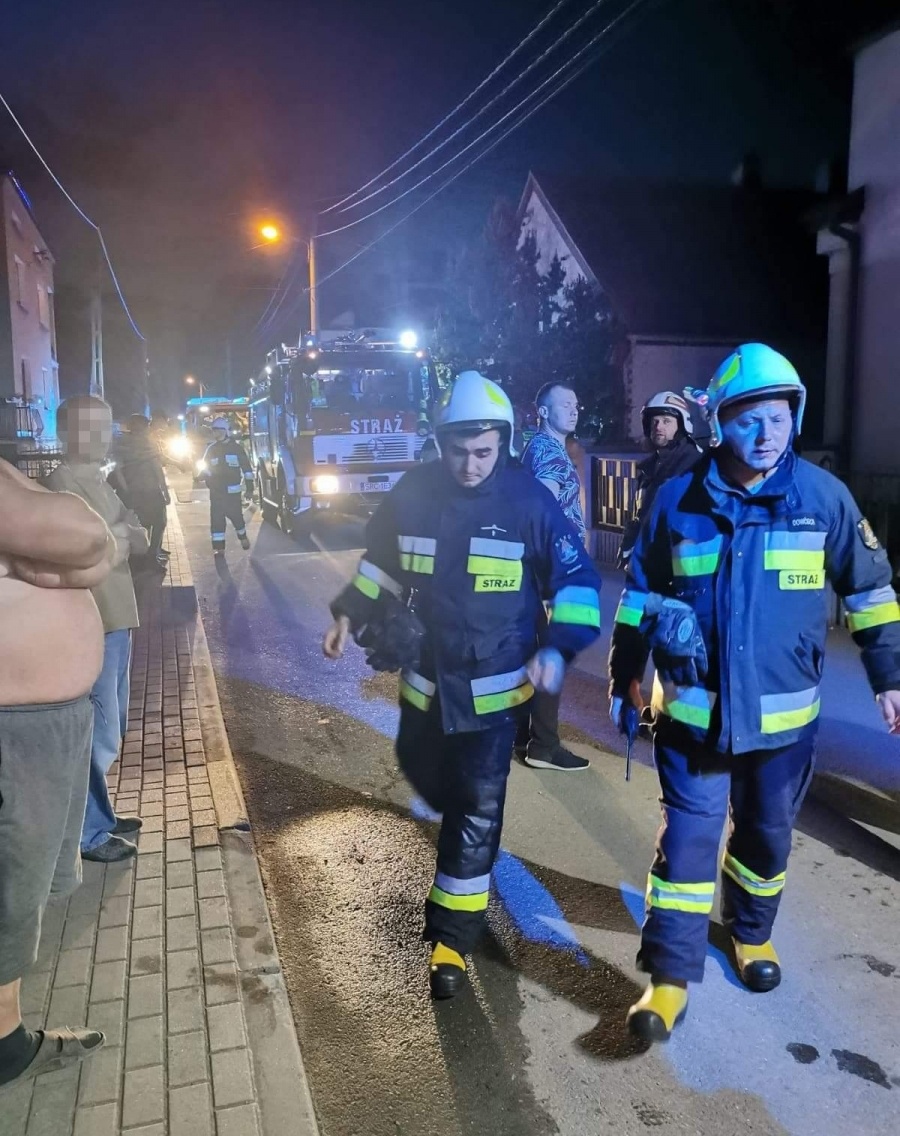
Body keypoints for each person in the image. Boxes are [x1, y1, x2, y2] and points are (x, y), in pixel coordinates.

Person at [607, 343, 900, 1044]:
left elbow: (870, 591)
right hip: (692, 718)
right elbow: (638, 592)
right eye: (748, 420)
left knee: (766, 840)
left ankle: (751, 933)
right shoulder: (678, 498)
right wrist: (627, 671)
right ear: (719, 426)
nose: (766, 434)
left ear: (792, 418)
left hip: (784, 728)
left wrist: (889, 677)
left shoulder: (824, 500)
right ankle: (669, 980)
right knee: (686, 850)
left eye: (778, 418)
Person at [322, 371, 602, 999]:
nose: (471, 465)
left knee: (474, 812)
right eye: (458, 450)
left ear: (501, 442)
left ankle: (452, 939)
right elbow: (381, 567)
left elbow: (579, 583)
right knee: (436, 789)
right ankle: (459, 849)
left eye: (484, 451)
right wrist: (349, 612)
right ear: (440, 441)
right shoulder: (413, 493)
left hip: (494, 699)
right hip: (424, 690)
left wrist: (558, 648)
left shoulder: (530, 502)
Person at [0, 456, 115, 1088]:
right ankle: (5, 1048)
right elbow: (88, 539)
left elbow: (93, 551)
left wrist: (39, 560)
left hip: (30, 729)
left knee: (18, 890)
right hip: (13, 735)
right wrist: (63, 556)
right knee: (8, 894)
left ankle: (5, 1036)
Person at [45, 396, 149, 864]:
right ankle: (88, 831)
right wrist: (120, 536)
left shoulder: (98, 482)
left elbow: (133, 533)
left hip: (116, 618)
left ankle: (100, 814)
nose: (102, 435)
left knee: (112, 725)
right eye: (90, 426)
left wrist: (119, 536)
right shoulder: (62, 487)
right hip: (93, 623)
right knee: (97, 730)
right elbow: (94, 549)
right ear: (67, 432)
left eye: (106, 425)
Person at [517, 381, 591, 771]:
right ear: (542, 411)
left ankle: (524, 735)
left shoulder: (542, 448)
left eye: (576, 403)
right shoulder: (547, 452)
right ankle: (543, 745)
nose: (574, 409)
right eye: (565, 403)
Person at [618, 392, 702, 567]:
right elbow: (642, 512)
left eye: (666, 421)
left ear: (682, 424)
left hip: (679, 563)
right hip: (650, 562)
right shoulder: (651, 468)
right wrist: (630, 543)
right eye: (654, 421)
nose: (658, 426)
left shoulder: (693, 463)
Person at [116, 414, 170, 565]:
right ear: (143, 427)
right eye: (147, 425)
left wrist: (125, 489)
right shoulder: (148, 443)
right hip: (151, 490)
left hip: (132, 492)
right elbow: (157, 469)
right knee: (160, 522)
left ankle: (141, 556)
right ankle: (152, 556)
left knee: (142, 523)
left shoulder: (122, 443)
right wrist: (165, 491)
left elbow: (118, 469)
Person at [199, 416, 254, 555]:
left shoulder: (236, 449)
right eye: (213, 431)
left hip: (233, 493)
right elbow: (205, 468)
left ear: (225, 431)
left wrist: (250, 489)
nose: (215, 433)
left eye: (217, 430)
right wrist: (204, 478)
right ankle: (219, 548)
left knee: (236, 517)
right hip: (217, 492)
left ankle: (242, 537)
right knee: (217, 520)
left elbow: (247, 470)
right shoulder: (211, 449)